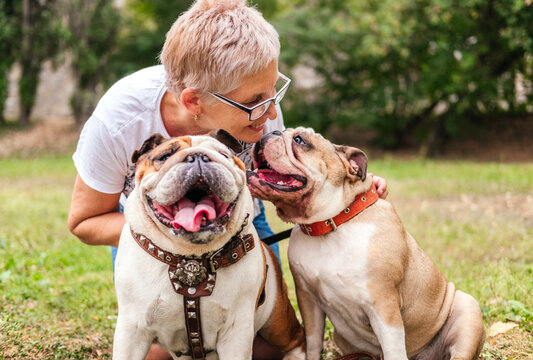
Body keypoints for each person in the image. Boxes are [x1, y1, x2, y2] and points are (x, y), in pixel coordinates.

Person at [67, 0, 388, 359]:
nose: (270, 112)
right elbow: (84, 221)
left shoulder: (263, 115)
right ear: (194, 102)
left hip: (238, 219)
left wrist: (350, 190)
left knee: (264, 345)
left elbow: (291, 191)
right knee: (162, 351)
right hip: (148, 231)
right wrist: (169, 234)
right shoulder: (120, 120)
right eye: (255, 101)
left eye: (273, 92)